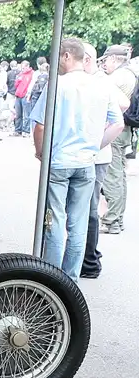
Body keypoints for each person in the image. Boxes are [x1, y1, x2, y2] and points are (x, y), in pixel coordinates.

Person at [30, 37, 124, 282]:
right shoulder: (101, 86)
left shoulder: (57, 85)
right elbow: (118, 122)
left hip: (59, 161)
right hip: (86, 163)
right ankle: (70, 280)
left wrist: (41, 152)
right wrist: (95, 146)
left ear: (67, 56)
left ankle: (51, 280)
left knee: (55, 221)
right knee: (79, 224)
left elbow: (39, 126)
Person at [81, 42, 130, 278]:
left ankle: (89, 259)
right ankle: (88, 258)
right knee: (86, 207)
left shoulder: (100, 81)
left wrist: (98, 138)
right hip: (95, 151)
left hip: (95, 153)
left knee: (88, 207)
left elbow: (124, 106)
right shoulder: (100, 81)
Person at [100, 44, 137, 234]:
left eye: (106, 60)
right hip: (127, 129)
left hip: (116, 127)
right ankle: (117, 218)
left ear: (114, 59)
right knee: (120, 175)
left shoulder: (118, 77)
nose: (104, 64)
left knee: (112, 175)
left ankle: (112, 220)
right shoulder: (131, 74)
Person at [12, 60, 34, 137]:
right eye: (22, 67)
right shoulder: (20, 74)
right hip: (18, 95)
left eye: (24, 67)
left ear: (28, 66)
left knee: (26, 114)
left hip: (25, 96)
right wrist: (18, 79)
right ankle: (18, 130)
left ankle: (26, 130)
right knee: (18, 114)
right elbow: (15, 85)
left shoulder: (32, 74)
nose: (22, 69)